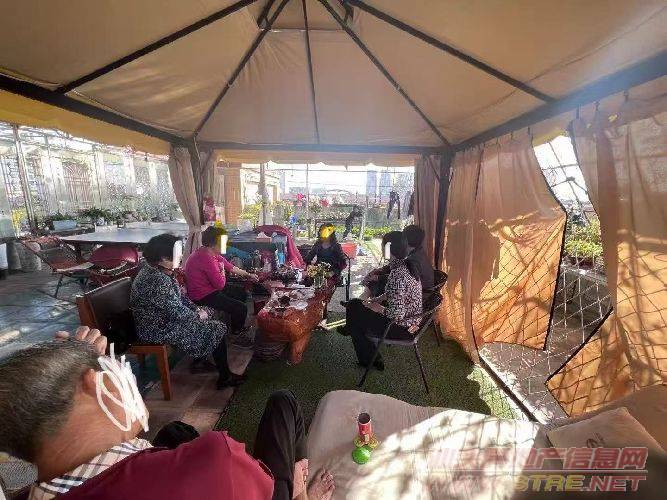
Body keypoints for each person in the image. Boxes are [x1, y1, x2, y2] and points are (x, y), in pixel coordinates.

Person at [0, 327, 335, 500]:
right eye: (113, 366)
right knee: (283, 403)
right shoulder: (219, 460)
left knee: (175, 432)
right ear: (94, 383)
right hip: (253, 489)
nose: (123, 374)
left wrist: (77, 362)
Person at [130, 233, 243, 389]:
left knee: (210, 317)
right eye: (177, 254)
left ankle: (200, 361)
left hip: (163, 319)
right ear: (163, 258)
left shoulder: (158, 270)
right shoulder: (156, 280)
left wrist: (197, 309)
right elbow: (176, 312)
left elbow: (180, 299)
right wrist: (198, 315)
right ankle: (225, 377)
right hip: (156, 328)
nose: (181, 256)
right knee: (216, 328)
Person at [339, 231, 422, 370]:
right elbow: (393, 292)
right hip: (411, 322)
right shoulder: (405, 266)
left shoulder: (398, 274)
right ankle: (365, 349)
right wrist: (375, 300)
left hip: (402, 328)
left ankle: (369, 357)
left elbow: (396, 315)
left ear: (388, 248)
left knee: (355, 312)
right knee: (355, 307)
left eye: (383, 245)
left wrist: (378, 308)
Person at [185, 226, 258, 336]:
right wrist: (222, 271)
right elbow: (220, 285)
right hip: (202, 296)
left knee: (241, 293)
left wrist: (249, 275)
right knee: (240, 307)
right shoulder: (206, 258)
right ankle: (237, 333)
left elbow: (231, 267)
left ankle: (234, 322)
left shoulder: (209, 252)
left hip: (210, 289)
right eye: (223, 242)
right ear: (213, 244)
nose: (225, 245)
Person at [358, 224, 434, 300]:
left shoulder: (413, 260)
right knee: (377, 277)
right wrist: (380, 270)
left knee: (376, 283)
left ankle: (363, 300)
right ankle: (363, 298)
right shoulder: (417, 252)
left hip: (420, 294)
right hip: (416, 288)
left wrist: (377, 278)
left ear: (406, 240)